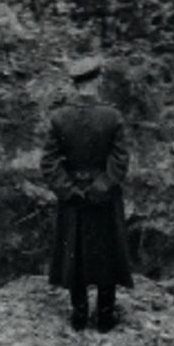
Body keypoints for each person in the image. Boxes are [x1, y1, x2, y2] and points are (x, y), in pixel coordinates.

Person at [42, 57, 132, 332]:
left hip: (73, 198)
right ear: (97, 80)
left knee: (75, 253)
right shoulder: (113, 116)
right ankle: (105, 315)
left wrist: (69, 190)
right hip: (104, 197)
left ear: (74, 83)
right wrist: (102, 187)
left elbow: (49, 162)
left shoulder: (59, 117)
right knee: (107, 252)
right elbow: (120, 160)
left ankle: (79, 314)